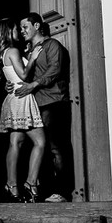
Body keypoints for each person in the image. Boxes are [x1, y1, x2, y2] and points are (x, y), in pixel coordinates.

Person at [15, 12, 73, 202]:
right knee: (40, 148)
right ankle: (44, 192)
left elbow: (54, 70)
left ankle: (62, 192)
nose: (22, 31)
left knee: (56, 147)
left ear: (37, 26)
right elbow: (24, 76)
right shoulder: (29, 52)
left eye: (25, 27)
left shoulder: (52, 45)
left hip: (53, 102)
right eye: (21, 28)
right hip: (34, 106)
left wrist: (33, 84)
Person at [0, 17, 46, 202]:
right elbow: (23, 75)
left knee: (16, 142)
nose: (19, 32)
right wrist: (33, 57)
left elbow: (12, 75)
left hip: (13, 97)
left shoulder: (5, 52)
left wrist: (28, 55)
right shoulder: (13, 51)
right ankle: (31, 183)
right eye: (16, 29)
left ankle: (12, 186)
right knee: (40, 142)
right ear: (8, 32)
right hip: (22, 97)